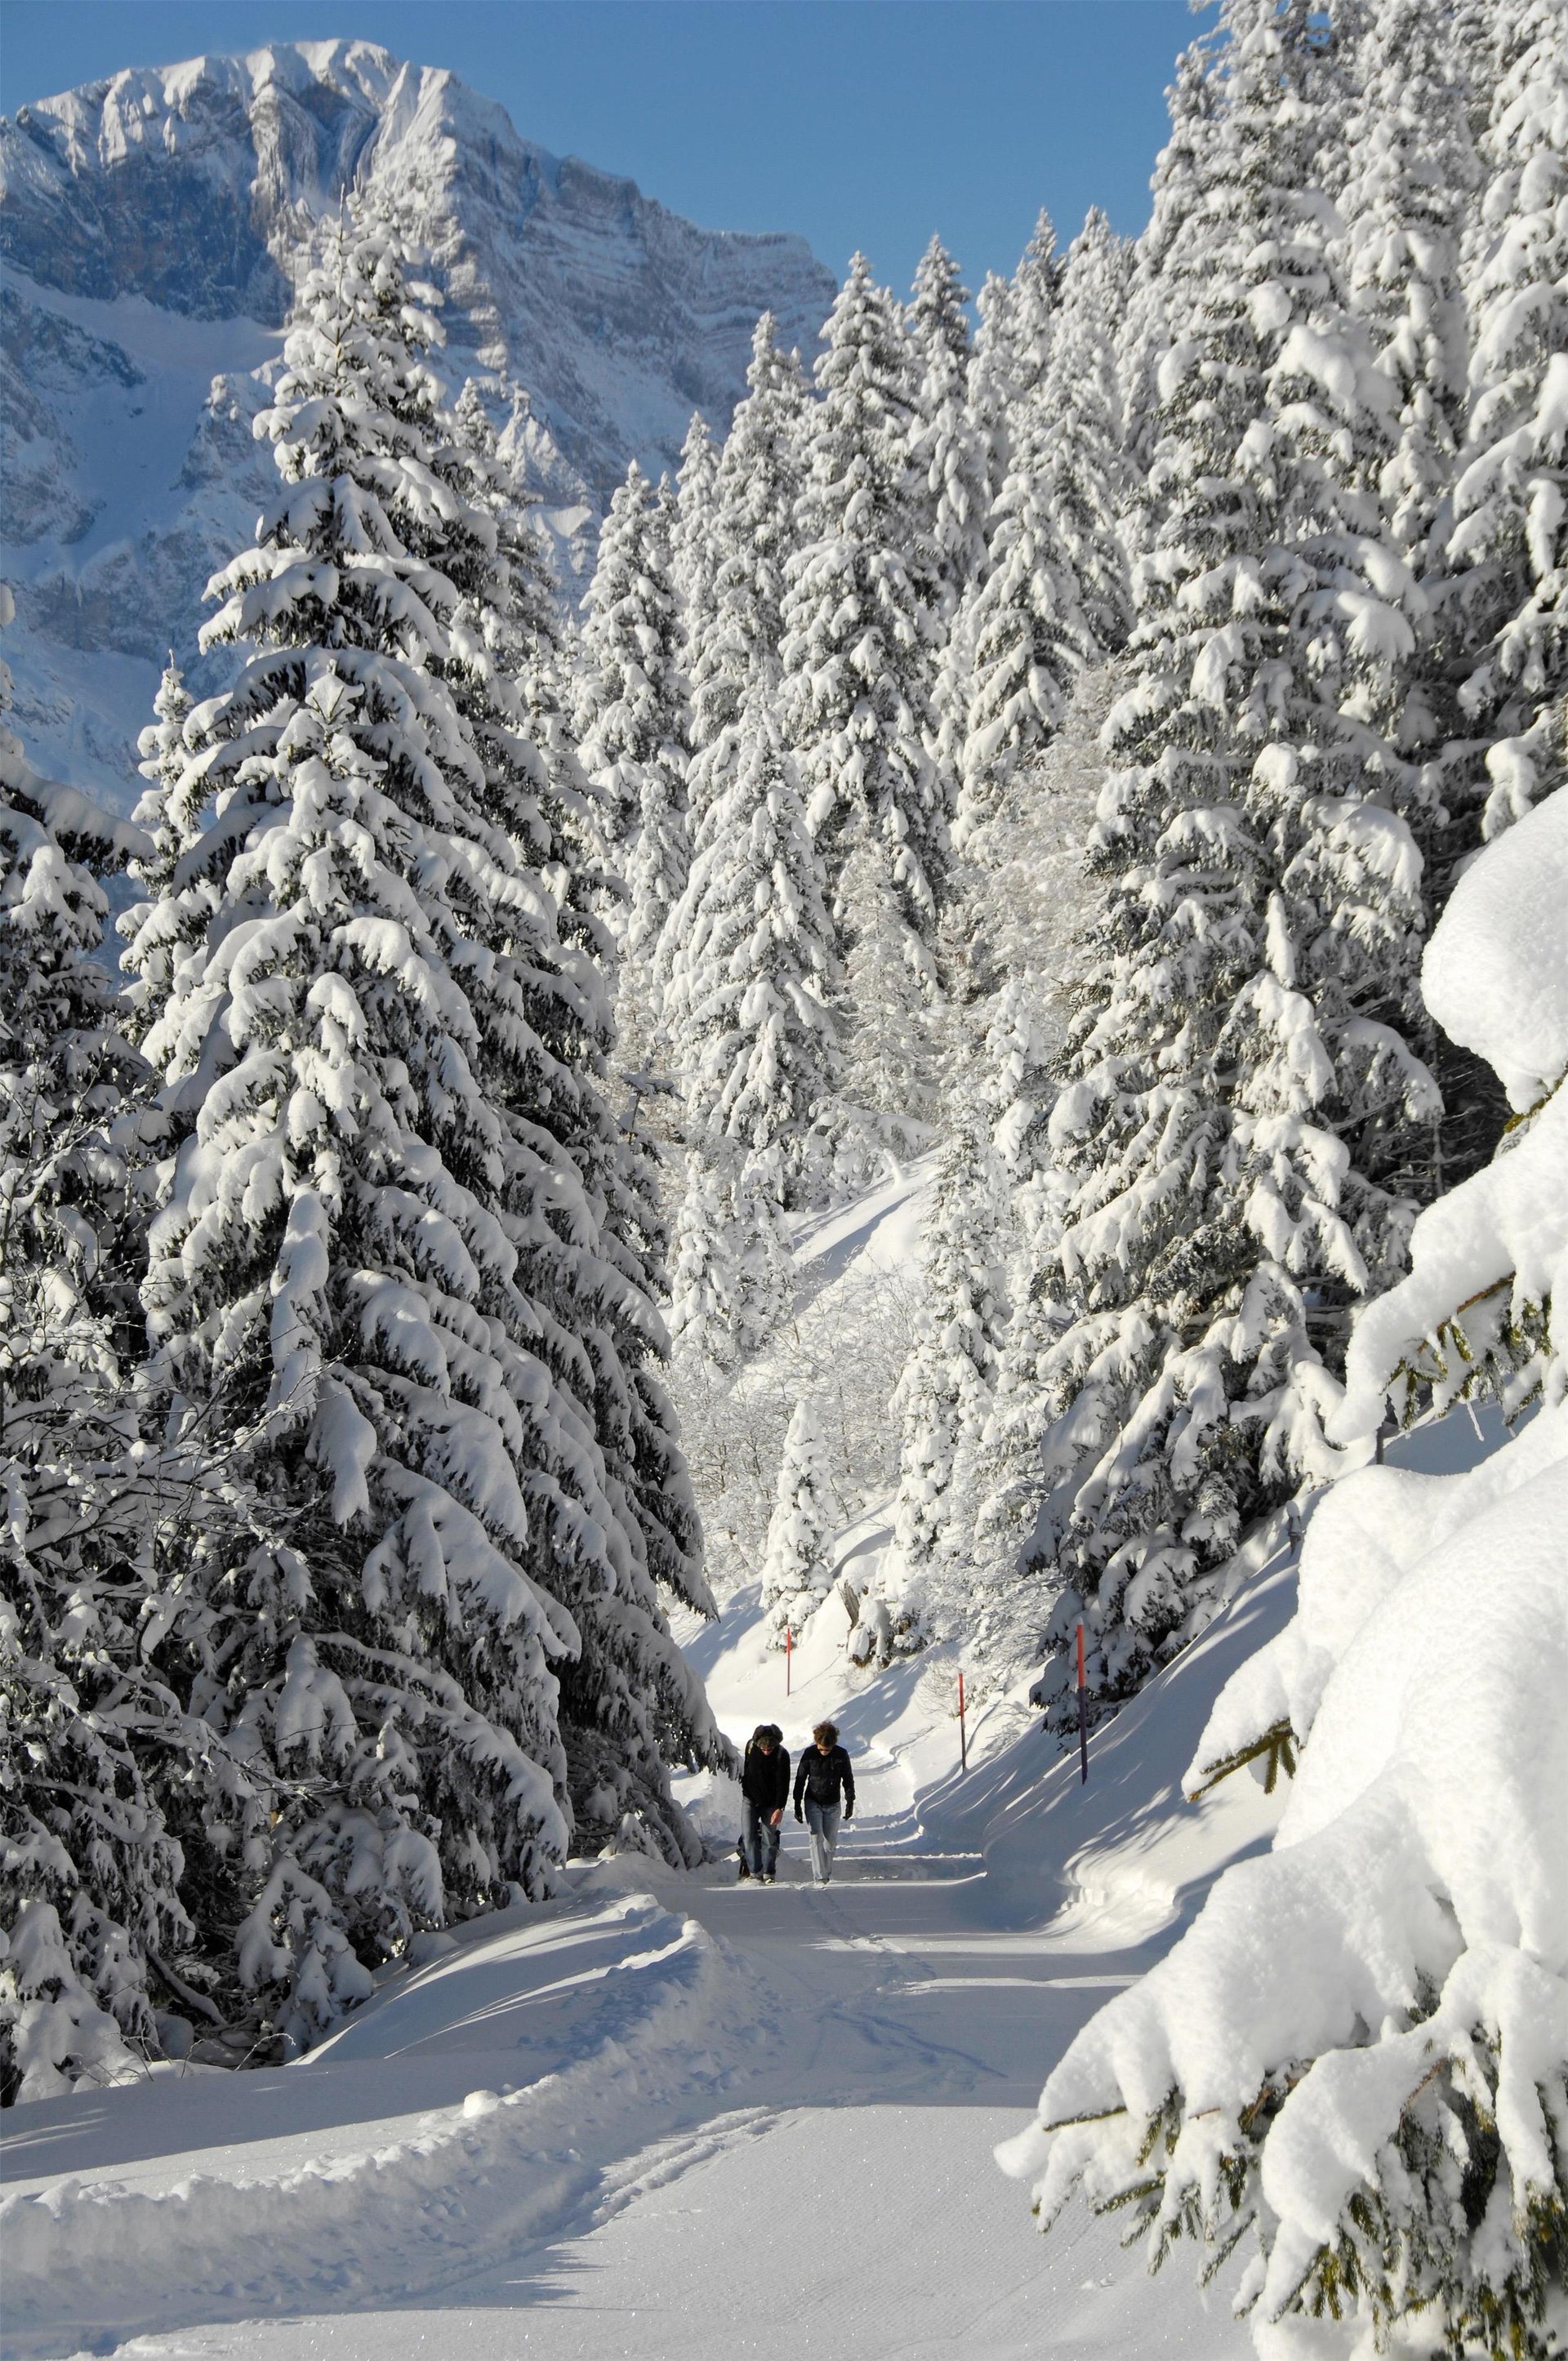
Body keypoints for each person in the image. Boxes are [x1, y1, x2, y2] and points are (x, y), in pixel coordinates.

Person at [793, 1719, 854, 1886]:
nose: (824, 1752)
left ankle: (826, 1873)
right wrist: (797, 1803)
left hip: (833, 1803)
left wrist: (850, 1801)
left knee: (829, 1843)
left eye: (827, 1749)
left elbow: (848, 1779)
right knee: (815, 1838)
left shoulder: (841, 1755)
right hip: (813, 1801)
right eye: (821, 1749)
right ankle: (820, 1877)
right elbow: (800, 1779)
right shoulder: (809, 1754)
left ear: (834, 1745)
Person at [739, 1723, 790, 1884]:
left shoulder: (782, 1754)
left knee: (769, 1838)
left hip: (771, 1803)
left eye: (770, 1749)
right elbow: (747, 1770)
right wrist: (746, 1788)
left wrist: (779, 1808)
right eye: (764, 1749)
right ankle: (755, 1872)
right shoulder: (750, 1747)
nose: (767, 1751)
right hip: (750, 1799)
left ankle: (769, 1873)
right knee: (748, 1836)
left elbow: (784, 1783)